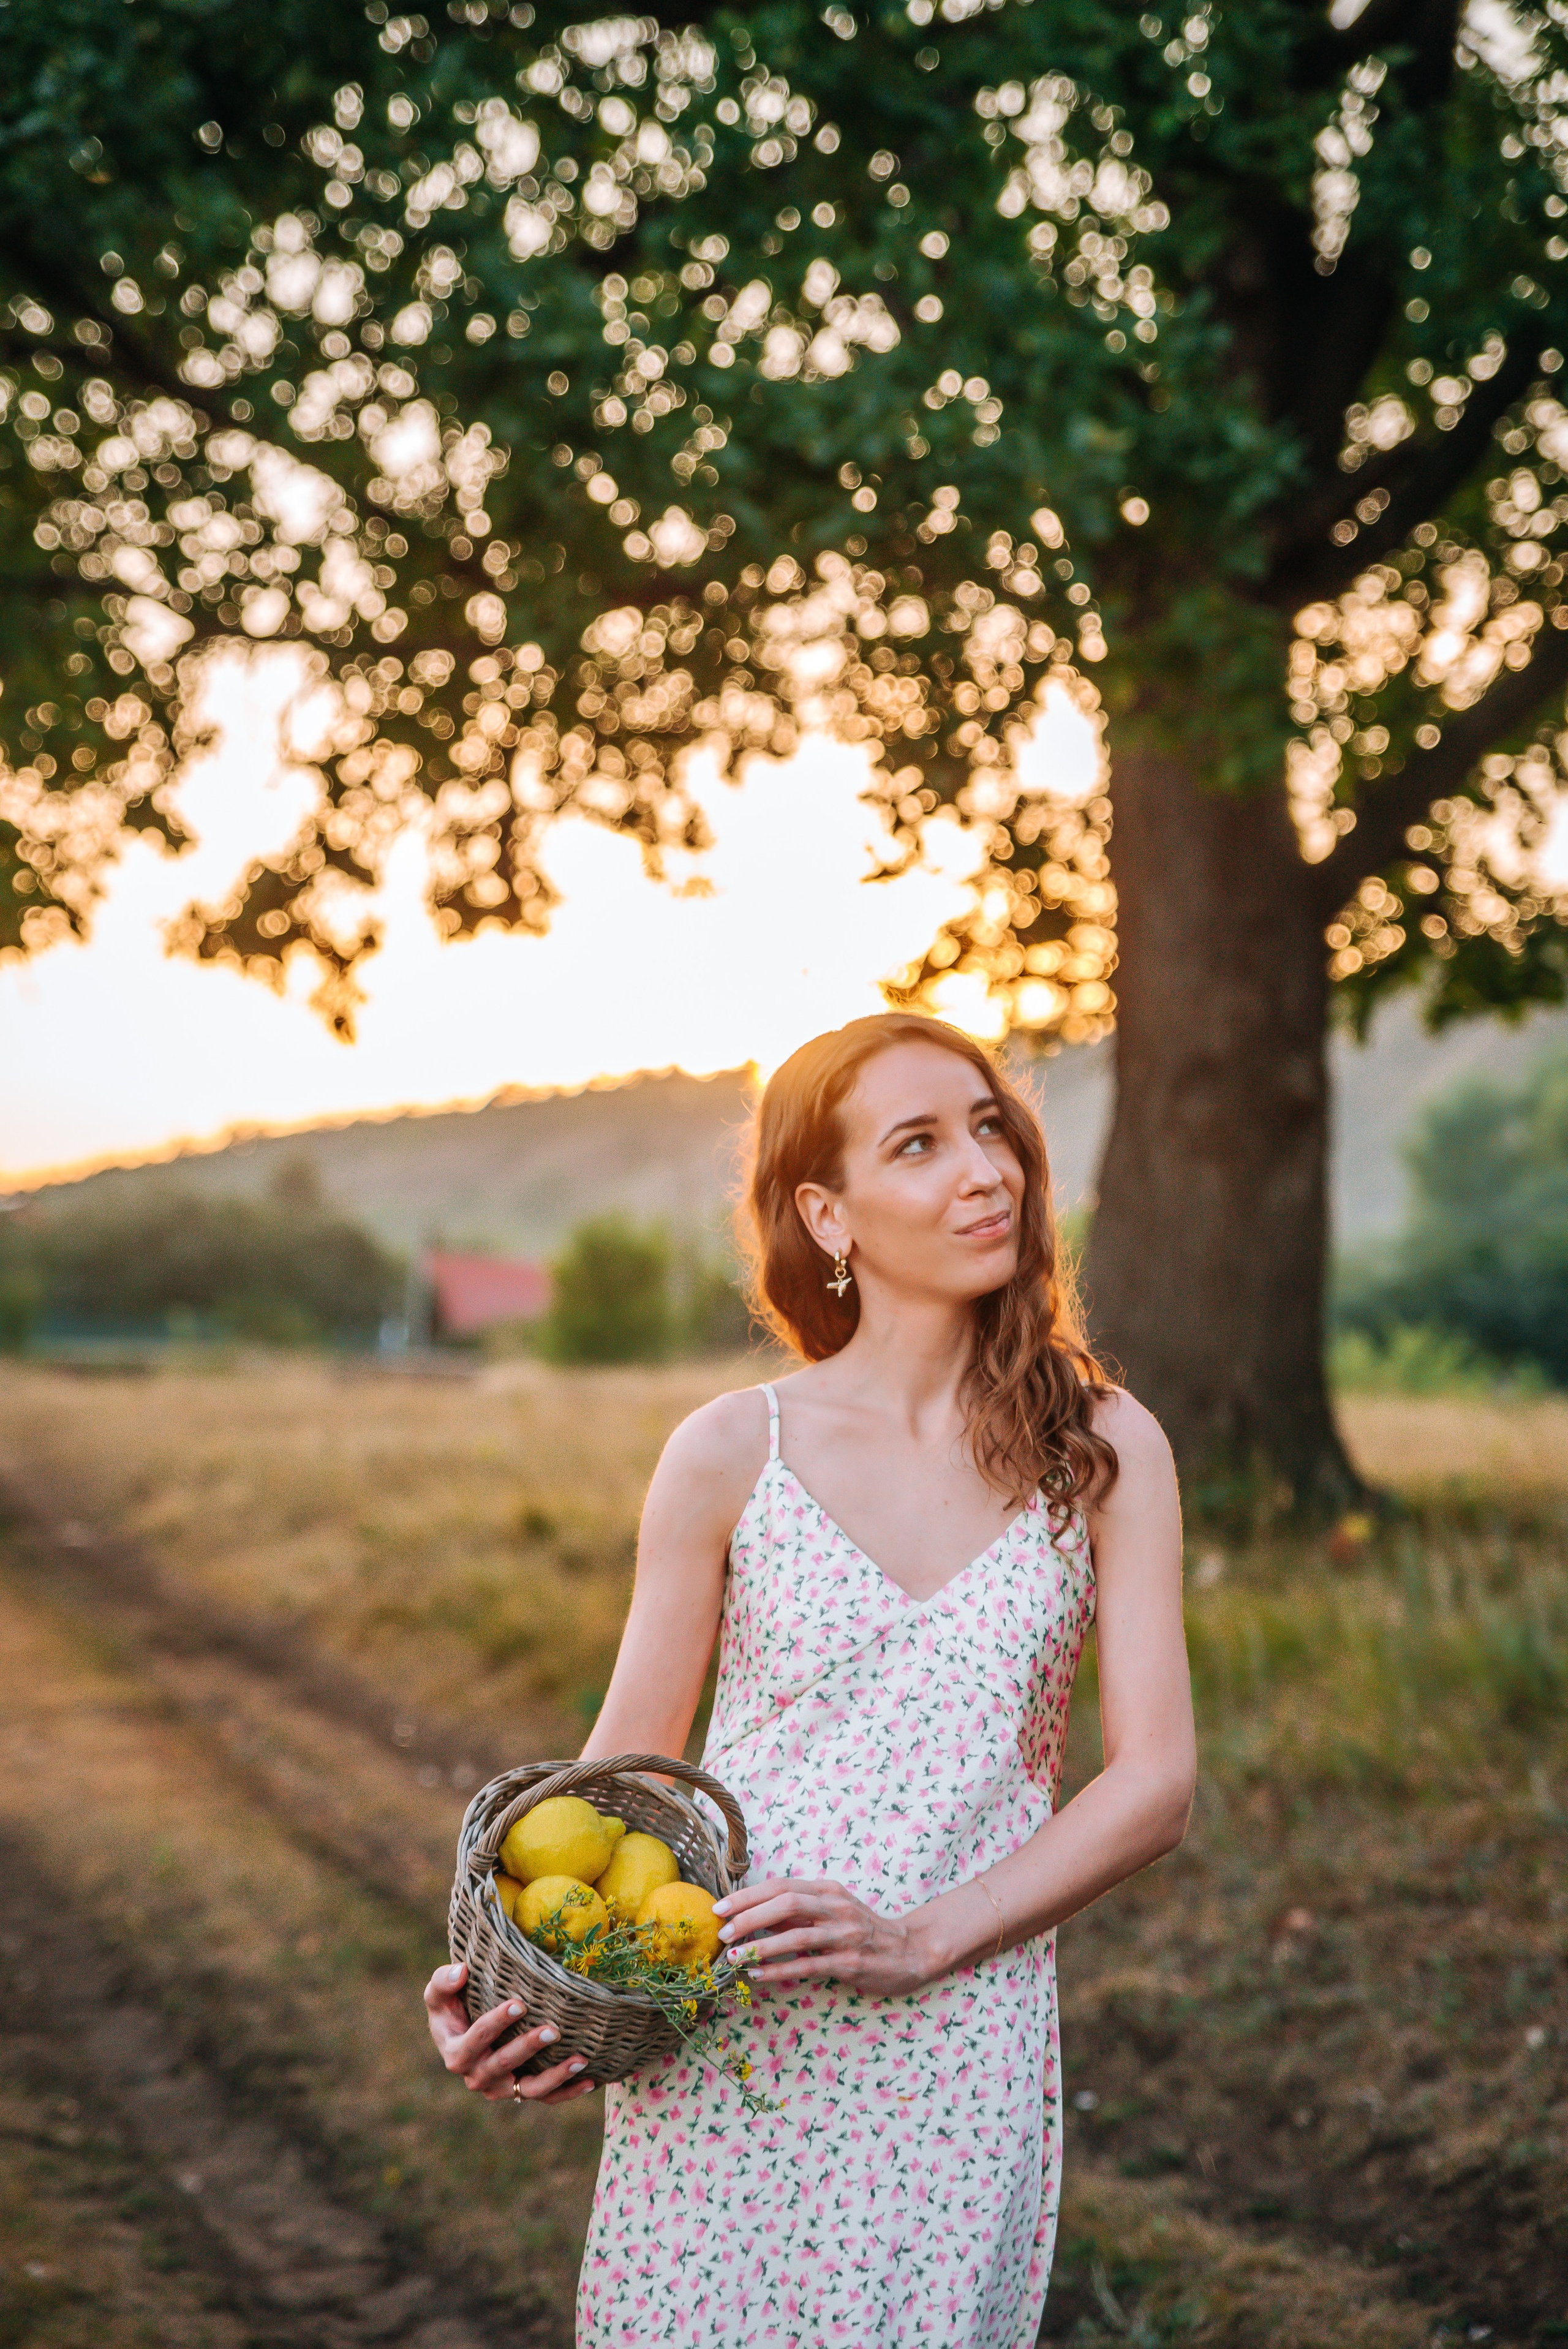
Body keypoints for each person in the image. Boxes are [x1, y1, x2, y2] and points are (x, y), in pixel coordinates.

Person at [425, 1011, 1195, 2347]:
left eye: (989, 1127)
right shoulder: (730, 1448)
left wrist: (921, 1939)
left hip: (959, 2040)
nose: (984, 1170)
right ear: (825, 1213)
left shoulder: (1101, 1443)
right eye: (919, 1144)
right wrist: (517, 1984)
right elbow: (617, 1786)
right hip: (725, 2030)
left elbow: (1154, 1782)